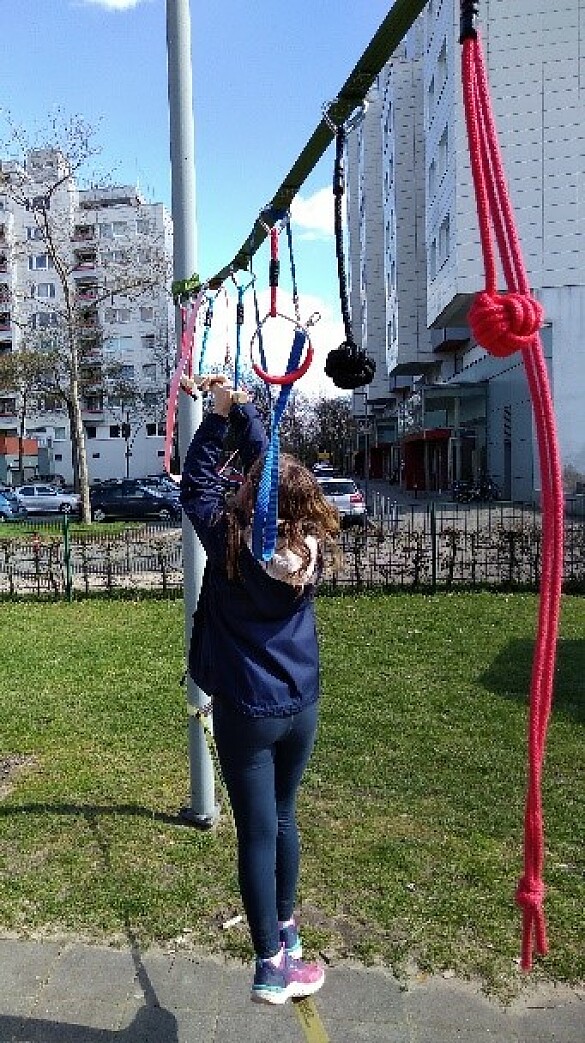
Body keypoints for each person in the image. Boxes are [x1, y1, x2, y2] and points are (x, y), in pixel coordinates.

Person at [180, 377, 339, 1005]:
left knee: (257, 831)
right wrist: (241, 411)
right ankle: (290, 937)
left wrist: (217, 421)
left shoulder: (227, 541)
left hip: (247, 709)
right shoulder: (308, 545)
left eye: (249, 482)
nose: (243, 480)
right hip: (301, 703)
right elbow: (264, 459)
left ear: (259, 499)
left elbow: (194, 482)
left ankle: (270, 965)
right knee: (283, 816)